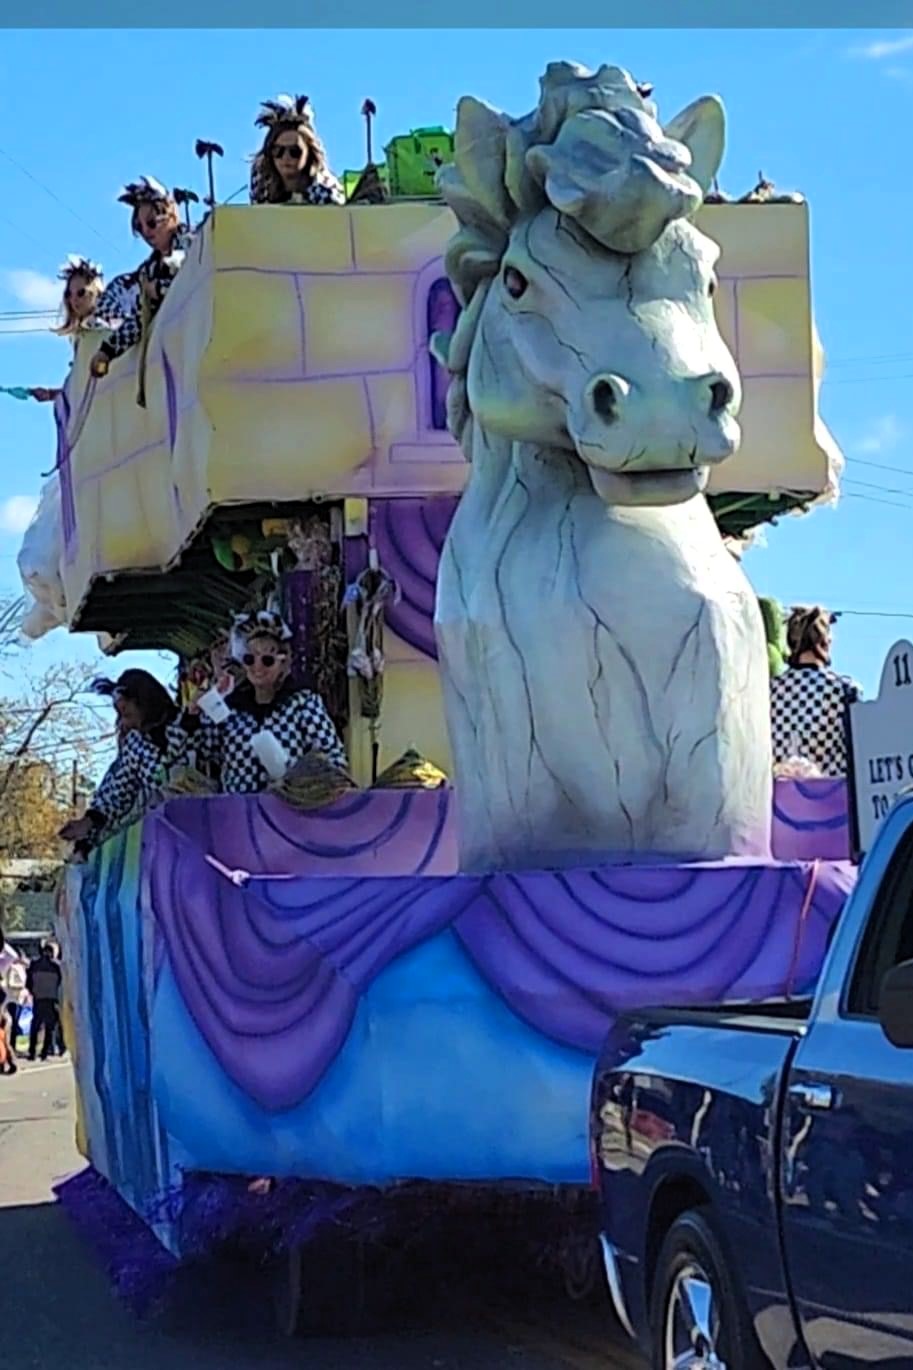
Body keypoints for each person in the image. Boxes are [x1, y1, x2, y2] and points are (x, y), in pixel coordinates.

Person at [181, 609, 348, 791]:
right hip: (241, 813)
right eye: (249, 658)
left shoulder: (303, 704)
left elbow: (334, 760)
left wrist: (298, 778)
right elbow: (200, 752)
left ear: (283, 662)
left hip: (290, 811)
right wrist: (192, 715)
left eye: (267, 660)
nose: (257, 667)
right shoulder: (230, 710)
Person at [58, 669, 188, 857]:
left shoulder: (190, 724)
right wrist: (89, 822)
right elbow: (119, 791)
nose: (123, 723)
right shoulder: (135, 744)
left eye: (126, 713)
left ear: (144, 703)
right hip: (162, 840)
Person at [89, 177, 193, 378]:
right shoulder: (150, 270)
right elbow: (139, 319)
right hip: (175, 361)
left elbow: (190, 283)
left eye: (152, 223)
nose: (146, 232)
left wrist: (159, 289)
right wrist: (107, 351)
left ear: (170, 214)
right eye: (139, 227)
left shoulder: (193, 243)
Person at [27, 256, 139, 403]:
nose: (74, 300)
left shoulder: (109, 320)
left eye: (81, 293)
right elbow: (84, 388)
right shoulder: (83, 337)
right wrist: (51, 394)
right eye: (69, 294)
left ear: (96, 292)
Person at [770, 605, 862, 778]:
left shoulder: (769, 692)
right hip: (834, 797)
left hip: (779, 798)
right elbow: (860, 752)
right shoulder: (843, 690)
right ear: (823, 640)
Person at [248, 95, 345, 206]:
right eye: (278, 151)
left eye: (295, 151)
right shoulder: (262, 185)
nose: (286, 157)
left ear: (309, 154)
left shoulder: (324, 192)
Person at [26, 943, 62, 1062]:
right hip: (50, 999)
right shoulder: (56, 967)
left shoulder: (34, 965)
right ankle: (44, 1053)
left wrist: (34, 992)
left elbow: (28, 983)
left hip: (39, 998)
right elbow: (59, 983)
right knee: (49, 1027)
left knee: (35, 1026)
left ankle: (32, 1052)